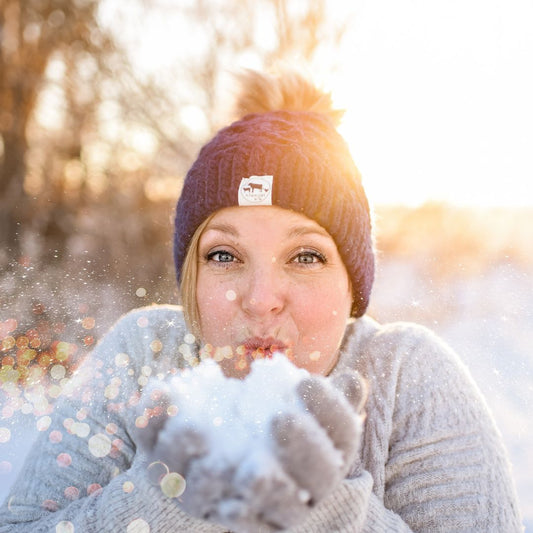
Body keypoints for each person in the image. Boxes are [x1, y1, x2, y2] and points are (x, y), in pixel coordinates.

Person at [0, 70, 523, 532]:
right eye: (225, 255)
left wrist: (323, 509)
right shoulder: (141, 356)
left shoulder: (409, 376)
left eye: (307, 257)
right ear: (190, 280)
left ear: (352, 285)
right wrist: (172, 501)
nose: (261, 300)